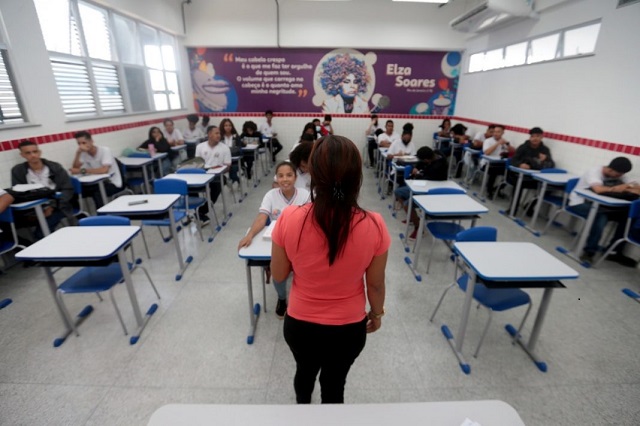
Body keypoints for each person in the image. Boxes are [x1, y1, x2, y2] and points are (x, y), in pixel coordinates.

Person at [271, 135, 389, 404]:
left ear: (311, 171)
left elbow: (278, 274)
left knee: (304, 373)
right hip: (348, 329)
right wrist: (378, 314)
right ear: (356, 175)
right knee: (335, 384)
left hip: (301, 325)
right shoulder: (375, 224)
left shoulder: (289, 218)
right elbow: (376, 285)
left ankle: (303, 408)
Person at [238, 162, 311, 317]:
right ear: (276, 178)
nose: (285, 179)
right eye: (281, 176)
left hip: (300, 241)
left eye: (289, 175)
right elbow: (262, 217)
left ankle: (304, 299)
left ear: (295, 177)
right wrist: (250, 235)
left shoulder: (305, 194)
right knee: (279, 271)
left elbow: (311, 221)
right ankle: (282, 298)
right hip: (277, 242)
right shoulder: (270, 195)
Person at [568, 157, 637, 263]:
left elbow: (636, 187)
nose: (620, 177)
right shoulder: (594, 172)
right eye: (618, 175)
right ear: (610, 170)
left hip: (603, 206)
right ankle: (589, 252)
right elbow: (598, 189)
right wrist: (616, 189)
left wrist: (628, 186)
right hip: (579, 203)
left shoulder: (619, 174)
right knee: (600, 217)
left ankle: (614, 251)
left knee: (628, 217)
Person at [11, 140, 76, 238]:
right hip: (33, 209)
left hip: (59, 205)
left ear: (39, 152)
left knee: (41, 234)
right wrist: (36, 211)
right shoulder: (18, 170)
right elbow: (18, 192)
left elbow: (67, 189)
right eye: (28, 153)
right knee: (10, 226)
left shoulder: (55, 167)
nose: (33, 155)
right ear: (22, 155)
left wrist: (52, 206)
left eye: (35, 151)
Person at [394, 147, 449, 239]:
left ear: (427, 159)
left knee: (408, 204)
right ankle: (413, 217)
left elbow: (427, 177)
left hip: (432, 189)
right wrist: (416, 167)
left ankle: (418, 227)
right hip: (423, 184)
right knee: (398, 192)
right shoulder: (434, 153)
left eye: (424, 160)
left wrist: (418, 174)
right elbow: (420, 163)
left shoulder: (439, 166)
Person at [508, 127, 555, 213]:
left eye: (538, 136)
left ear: (541, 137)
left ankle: (530, 206)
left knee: (550, 188)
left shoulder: (545, 149)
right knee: (518, 184)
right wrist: (520, 165)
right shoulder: (523, 147)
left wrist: (546, 158)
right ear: (530, 137)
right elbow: (513, 160)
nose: (535, 138)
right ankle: (513, 208)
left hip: (535, 177)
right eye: (533, 136)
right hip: (518, 175)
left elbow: (551, 164)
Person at [71, 131, 123, 208]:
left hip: (111, 182)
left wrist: (83, 170)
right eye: (79, 144)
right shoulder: (83, 153)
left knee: (97, 192)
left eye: (84, 143)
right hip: (94, 183)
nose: (81, 146)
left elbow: (104, 170)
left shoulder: (105, 150)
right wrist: (77, 153)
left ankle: (102, 217)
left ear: (91, 141)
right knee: (72, 192)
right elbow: (75, 169)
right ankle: (80, 217)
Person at [194, 125, 232, 223]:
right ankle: (196, 209)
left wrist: (216, 169)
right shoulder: (200, 146)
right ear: (209, 134)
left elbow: (227, 167)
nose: (219, 135)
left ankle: (201, 211)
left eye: (219, 133)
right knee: (191, 187)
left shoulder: (224, 148)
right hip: (203, 174)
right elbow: (197, 164)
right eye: (216, 133)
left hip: (219, 175)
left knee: (216, 186)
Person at [480, 124, 514, 199]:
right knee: (493, 171)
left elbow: (513, 152)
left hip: (500, 164)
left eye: (498, 132)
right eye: (495, 131)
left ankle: (498, 188)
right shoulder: (488, 141)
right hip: (487, 164)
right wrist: (497, 143)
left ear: (502, 133)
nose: (495, 133)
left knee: (511, 173)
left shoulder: (504, 141)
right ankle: (489, 191)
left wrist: (507, 144)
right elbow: (486, 153)